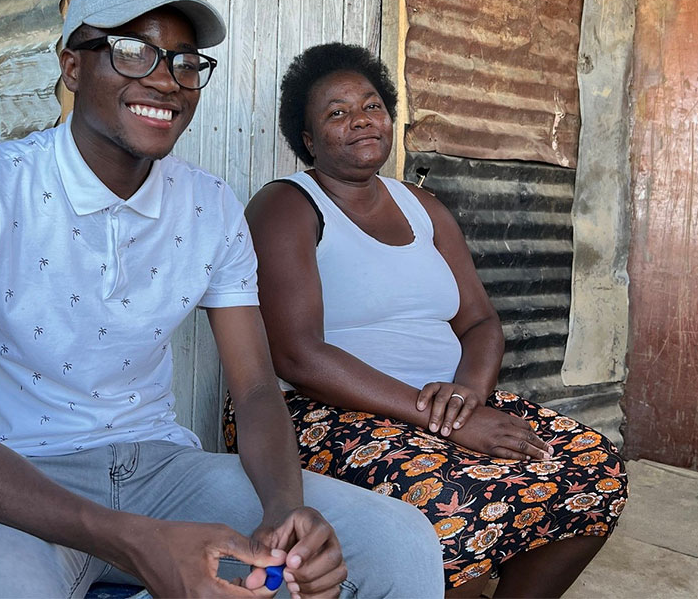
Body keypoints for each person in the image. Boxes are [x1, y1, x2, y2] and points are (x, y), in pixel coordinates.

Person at [0, 0, 442, 596]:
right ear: (72, 66)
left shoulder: (210, 207)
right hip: (17, 483)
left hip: (162, 472)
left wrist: (281, 513)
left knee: (399, 543)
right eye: (133, 51)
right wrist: (135, 540)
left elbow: (258, 389)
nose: (166, 80)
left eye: (186, 63)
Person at [227, 43, 628, 598]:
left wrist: (466, 398)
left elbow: (482, 322)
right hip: (323, 409)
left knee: (594, 469)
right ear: (308, 139)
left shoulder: (424, 205)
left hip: (443, 402)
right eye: (336, 113)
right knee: (457, 499)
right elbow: (296, 353)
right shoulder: (287, 205)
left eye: (371, 105)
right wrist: (446, 421)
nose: (361, 120)